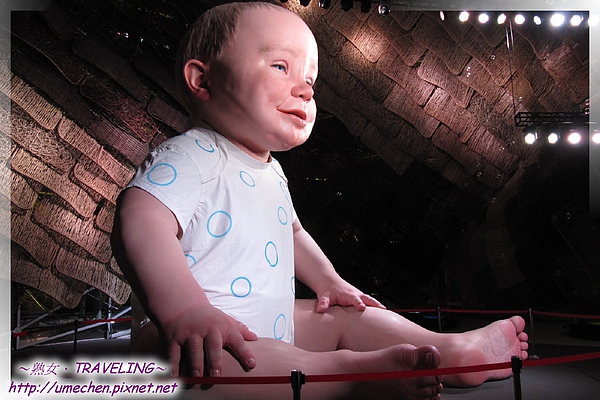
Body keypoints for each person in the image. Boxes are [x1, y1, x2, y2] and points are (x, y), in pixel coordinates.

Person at [111, 2, 528, 399]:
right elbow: (140, 219)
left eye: (310, 81)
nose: (305, 91)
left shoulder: (272, 172)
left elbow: (293, 233)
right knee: (230, 364)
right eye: (280, 67)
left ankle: (445, 351)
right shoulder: (192, 155)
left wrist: (329, 282)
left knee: (345, 316)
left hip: (270, 329)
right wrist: (184, 310)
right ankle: (353, 376)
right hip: (192, 341)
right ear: (203, 81)